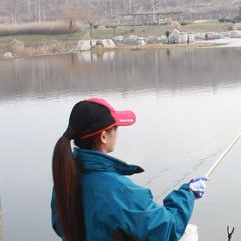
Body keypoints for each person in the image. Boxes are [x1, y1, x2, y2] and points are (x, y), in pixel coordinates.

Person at [51, 98, 207, 240]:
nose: (118, 132)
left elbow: (60, 226)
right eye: (116, 127)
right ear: (104, 136)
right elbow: (168, 228)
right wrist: (188, 194)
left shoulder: (65, 178)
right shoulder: (118, 190)